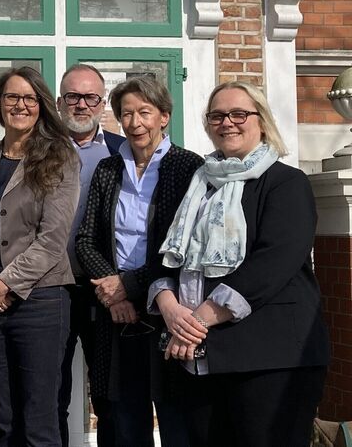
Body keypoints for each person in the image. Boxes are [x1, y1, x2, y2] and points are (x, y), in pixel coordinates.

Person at [150, 81, 329, 447]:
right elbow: (166, 253)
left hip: (270, 359)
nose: (227, 123)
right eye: (217, 115)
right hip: (200, 358)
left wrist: (198, 319)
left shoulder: (286, 183)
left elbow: (275, 261)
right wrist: (168, 306)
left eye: (238, 114)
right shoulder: (197, 186)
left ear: (260, 121)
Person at [73, 77, 200, 447]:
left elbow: (183, 245)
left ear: (164, 116)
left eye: (144, 112)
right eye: (126, 113)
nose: (134, 122)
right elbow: (86, 240)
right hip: (118, 314)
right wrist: (116, 294)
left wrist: (130, 285)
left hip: (171, 310)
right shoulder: (108, 170)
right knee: (124, 416)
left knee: (176, 415)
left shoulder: (187, 167)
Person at [0, 67, 80, 447]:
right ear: (0, 104)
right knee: (6, 418)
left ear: (42, 106)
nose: (21, 105)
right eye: (12, 97)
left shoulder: (60, 157)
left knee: (39, 420)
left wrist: (5, 284)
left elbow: (52, 239)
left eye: (29, 98)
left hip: (41, 301)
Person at [55, 64, 123, 446]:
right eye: (73, 97)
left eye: (90, 97)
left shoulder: (122, 150)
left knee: (109, 394)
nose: (81, 105)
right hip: (52, 288)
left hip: (105, 289)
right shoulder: (39, 148)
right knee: (51, 392)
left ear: (102, 102)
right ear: (60, 100)